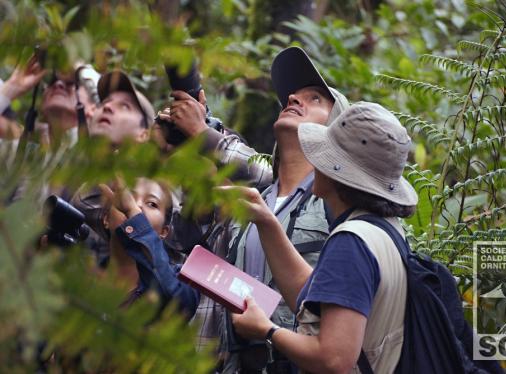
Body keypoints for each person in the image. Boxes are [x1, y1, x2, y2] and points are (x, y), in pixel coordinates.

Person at [161, 46, 349, 372]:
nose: (293, 98)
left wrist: (202, 132)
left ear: (338, 133)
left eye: (315, 98)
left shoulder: (337, 203)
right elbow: (183, 241)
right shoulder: (243, 199)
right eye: (292, 96)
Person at [228, 102, 418, 373]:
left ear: (339, 171)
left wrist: (267, 330)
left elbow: (334, 359)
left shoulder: (350, 243)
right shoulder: (383, 230)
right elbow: (316, 295)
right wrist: (267, 223)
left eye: (324, 155)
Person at [100, 177, 200, 316]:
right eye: (130, 197)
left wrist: (132, 212)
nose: (137, 206)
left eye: (152, 204)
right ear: (106, 219)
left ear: (164, 232)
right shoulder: (83, 267)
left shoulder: (182, 279)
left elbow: (177, 304)